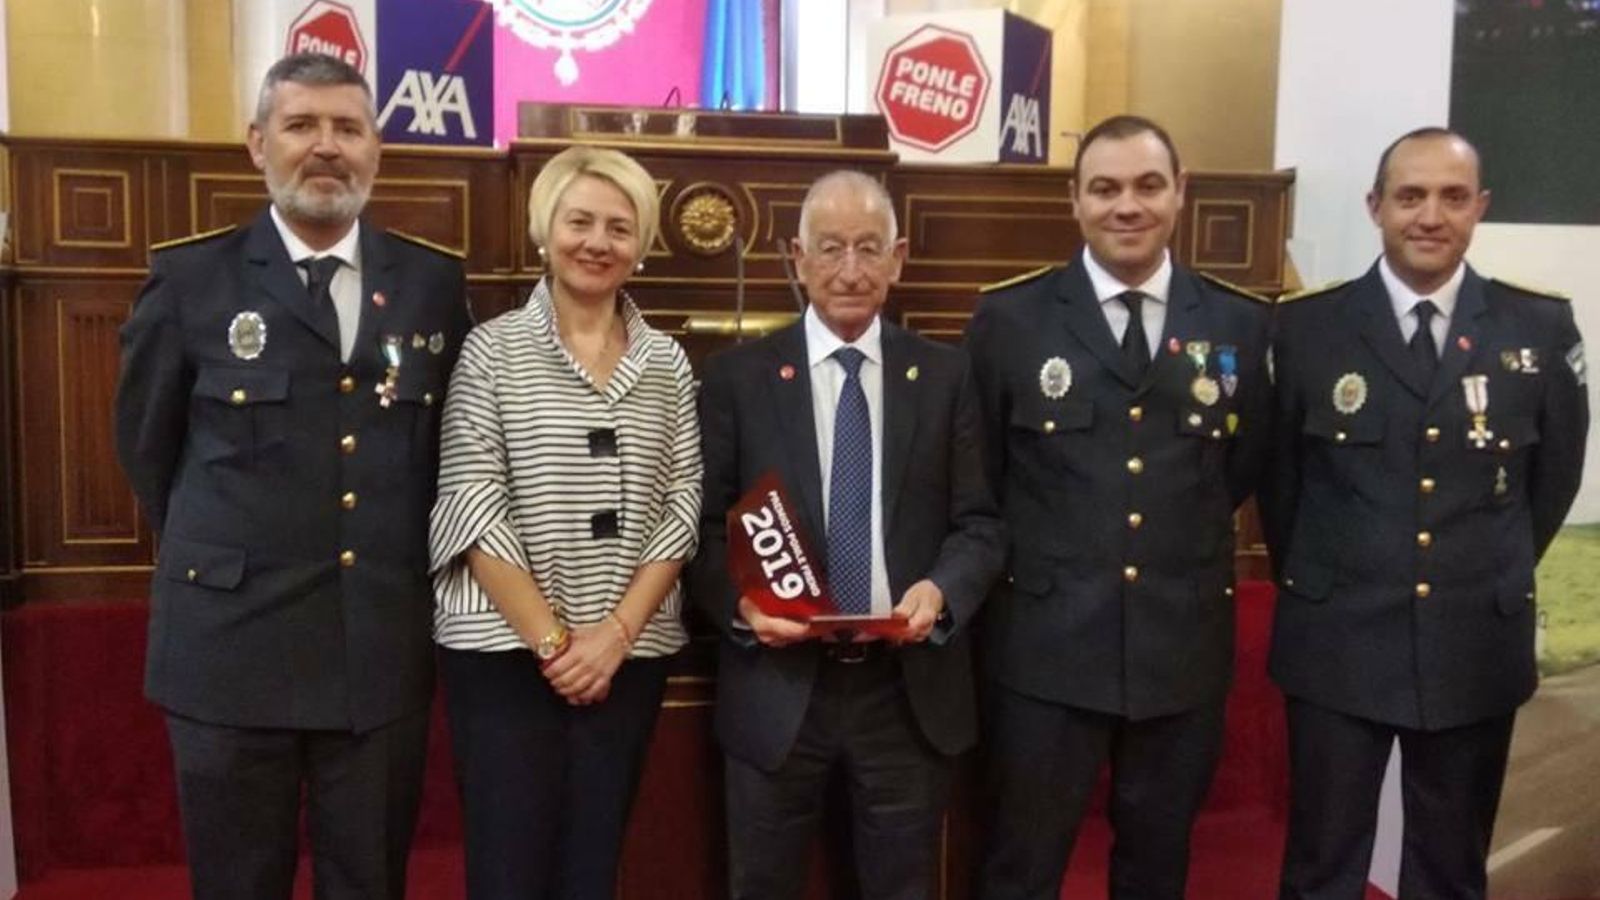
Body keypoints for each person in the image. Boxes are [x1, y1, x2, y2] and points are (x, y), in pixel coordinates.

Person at [113, 52, 472, 900]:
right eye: (302, 125)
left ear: (376, 149)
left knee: (368, 881)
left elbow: (443, 458)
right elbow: (146, 450)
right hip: (231, 650)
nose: (326, 147)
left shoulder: (430, 283)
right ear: (257, 143)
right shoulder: (191, 280)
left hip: (374, 651)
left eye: (347, 128)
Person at [1261, 127, 1588, 900]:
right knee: (1322, 864)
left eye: (1451, 197)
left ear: (1481, 207)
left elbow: (1554, 480)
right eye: (1410, 196)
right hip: (1337, 637)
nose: (1429, 216)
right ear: (1377, 207)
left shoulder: (1537, 328)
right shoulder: (1307, 328)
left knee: (1449, 867)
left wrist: (1481, 566)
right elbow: (1280, 488)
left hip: (1473, 639)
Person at [965, 114, 1273, 900]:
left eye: (1146, 186)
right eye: (1104, 188)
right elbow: (982, 479)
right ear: (1074, 201)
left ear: (1180, 194)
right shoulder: (1010, 320)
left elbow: (1242, 466)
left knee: (1155, 867)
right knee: (1020, 866)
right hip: (1044, 651)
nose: (1125, 206)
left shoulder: (1240, 322)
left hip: (1180, 647)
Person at [688, 170, 1004, 900]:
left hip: (904, 691)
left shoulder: (948, 377)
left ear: (898, 258)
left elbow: (980, 525)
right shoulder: (738, 378)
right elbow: (699, 530)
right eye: (831, 249)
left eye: (869, 249)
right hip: (778, 690)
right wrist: (742, 609)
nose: (851, 271)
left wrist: (942, 592)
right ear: (796, 257)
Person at [427, 145, 701, 900]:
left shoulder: (669, 364)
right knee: (509, 867)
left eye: (620, 227)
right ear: (545, 231)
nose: (597, 242)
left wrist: (612, 639)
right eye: (579, 220)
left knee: (593, 863)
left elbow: (682, 506)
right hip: (505, 658)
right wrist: (555, 644)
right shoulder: (491, 351)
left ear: (640, 247)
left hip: (629, 658)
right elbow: (473, 505)